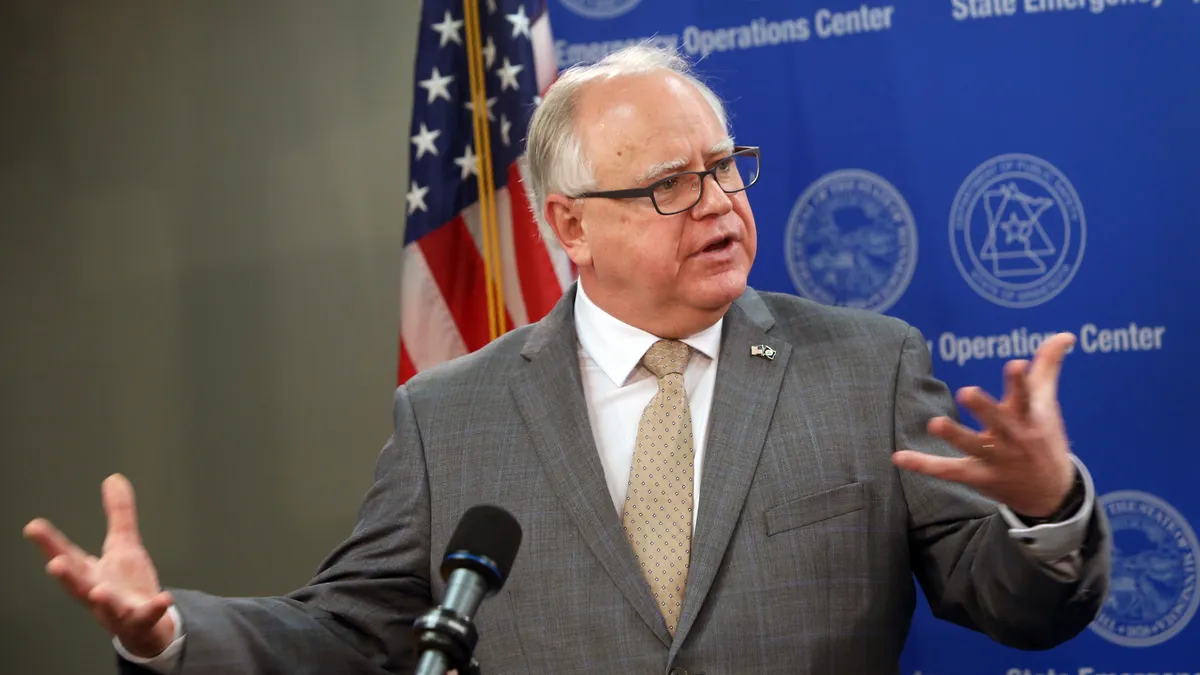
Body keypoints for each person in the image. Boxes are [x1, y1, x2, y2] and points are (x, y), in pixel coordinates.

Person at [23, 44, 1110, 675]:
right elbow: (350, 633)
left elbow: (1023, 607)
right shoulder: (451, 417)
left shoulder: (865, 368)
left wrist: (1046, 504)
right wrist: (173, 631)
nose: (721, 203)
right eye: (666, 186)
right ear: (569, 228)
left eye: (725, 167)